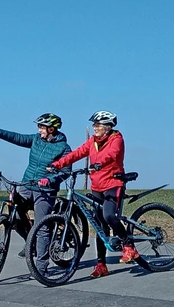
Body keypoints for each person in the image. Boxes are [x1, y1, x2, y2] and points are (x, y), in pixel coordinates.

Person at [48, 110, 131, 278]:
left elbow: (112, 154)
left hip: (113, 183)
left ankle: (128, 244)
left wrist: (99, 163)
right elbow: (77, 153)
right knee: (100, 227)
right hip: (97, 186)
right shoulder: (92, 141)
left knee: (108, 215)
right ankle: (101, 265)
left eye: (97, 125)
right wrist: (57, 164)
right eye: (94, 125)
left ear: (107, 127)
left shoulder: (117, 139)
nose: (94, 128)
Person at [0, 113, 71, 255]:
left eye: (42, 127)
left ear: (51, 129)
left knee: (41, 226)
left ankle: (42, 267)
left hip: (45, 190)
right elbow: (19, 138)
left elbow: (66, 171)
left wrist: (50, 180)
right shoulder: (36, 140)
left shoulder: (63, 148)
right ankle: (31, 242)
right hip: (27, 184)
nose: (39, 130)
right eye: (39, 127)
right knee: (15, 215)